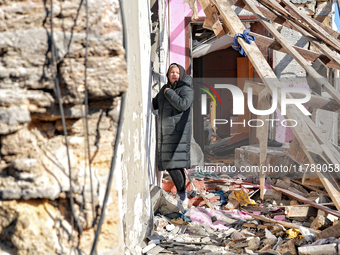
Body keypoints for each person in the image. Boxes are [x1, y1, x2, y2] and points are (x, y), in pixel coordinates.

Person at [152, 63, 194, 208]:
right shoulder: (165, 88)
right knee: (176, 165)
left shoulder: (186, 89)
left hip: (178, 133)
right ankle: (183, 197)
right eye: (171, 72)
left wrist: (169, 93)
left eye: (177, 72)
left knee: (173, 165)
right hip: (167, 132)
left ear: (181, 75)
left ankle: (182, 197)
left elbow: (183, 104)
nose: (174, 74)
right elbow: (155, 104)